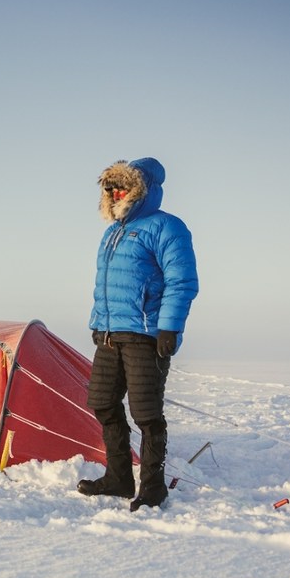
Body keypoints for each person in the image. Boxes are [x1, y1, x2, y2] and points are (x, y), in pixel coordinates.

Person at [77, 157, 199, 512]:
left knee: (146, 415)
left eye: (123, 186)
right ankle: (118, 478)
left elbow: (182, 281)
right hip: (110, 335)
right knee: (101, 402)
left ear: (141, 190)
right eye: (110, 187)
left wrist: (169, 328)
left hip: (146, 335)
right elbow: (106, 285)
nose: (116, 193)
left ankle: (152, 488)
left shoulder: (167, 227)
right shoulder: (112, 231)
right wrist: (99, 322)